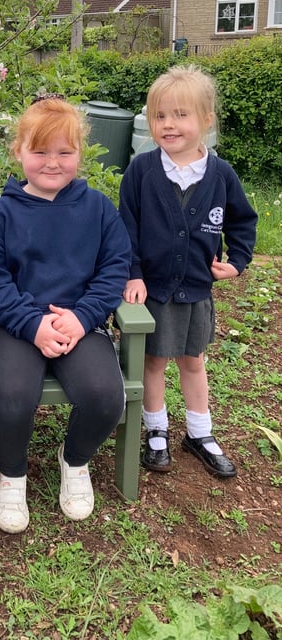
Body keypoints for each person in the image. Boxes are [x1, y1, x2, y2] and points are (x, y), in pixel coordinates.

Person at [0, 95, 132, 534]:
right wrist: (33, 324)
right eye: (40, 151)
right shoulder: (1, 214)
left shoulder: (99, 209)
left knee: (105, 396)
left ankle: (75, 460)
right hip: (14, 324)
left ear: (80, 153)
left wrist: (83, 318)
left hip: (78, 321)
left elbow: (113, 269)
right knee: (9, 395)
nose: (52, 162)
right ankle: (12, 474)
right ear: (19, 152)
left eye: (65, 152)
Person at [119, 64, 257, 478]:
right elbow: (125, 227)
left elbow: (242, 222)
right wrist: (133, 272)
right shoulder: (141, 172)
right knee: (155, 362)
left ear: (206, 121)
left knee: (193, 361)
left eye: (181, 115)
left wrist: (237, 261)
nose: (169, 124)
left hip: (197, 290)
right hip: (155, 292)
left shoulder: (221, 175)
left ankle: (199, 432)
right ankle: (156, 430)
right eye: (160, 116)